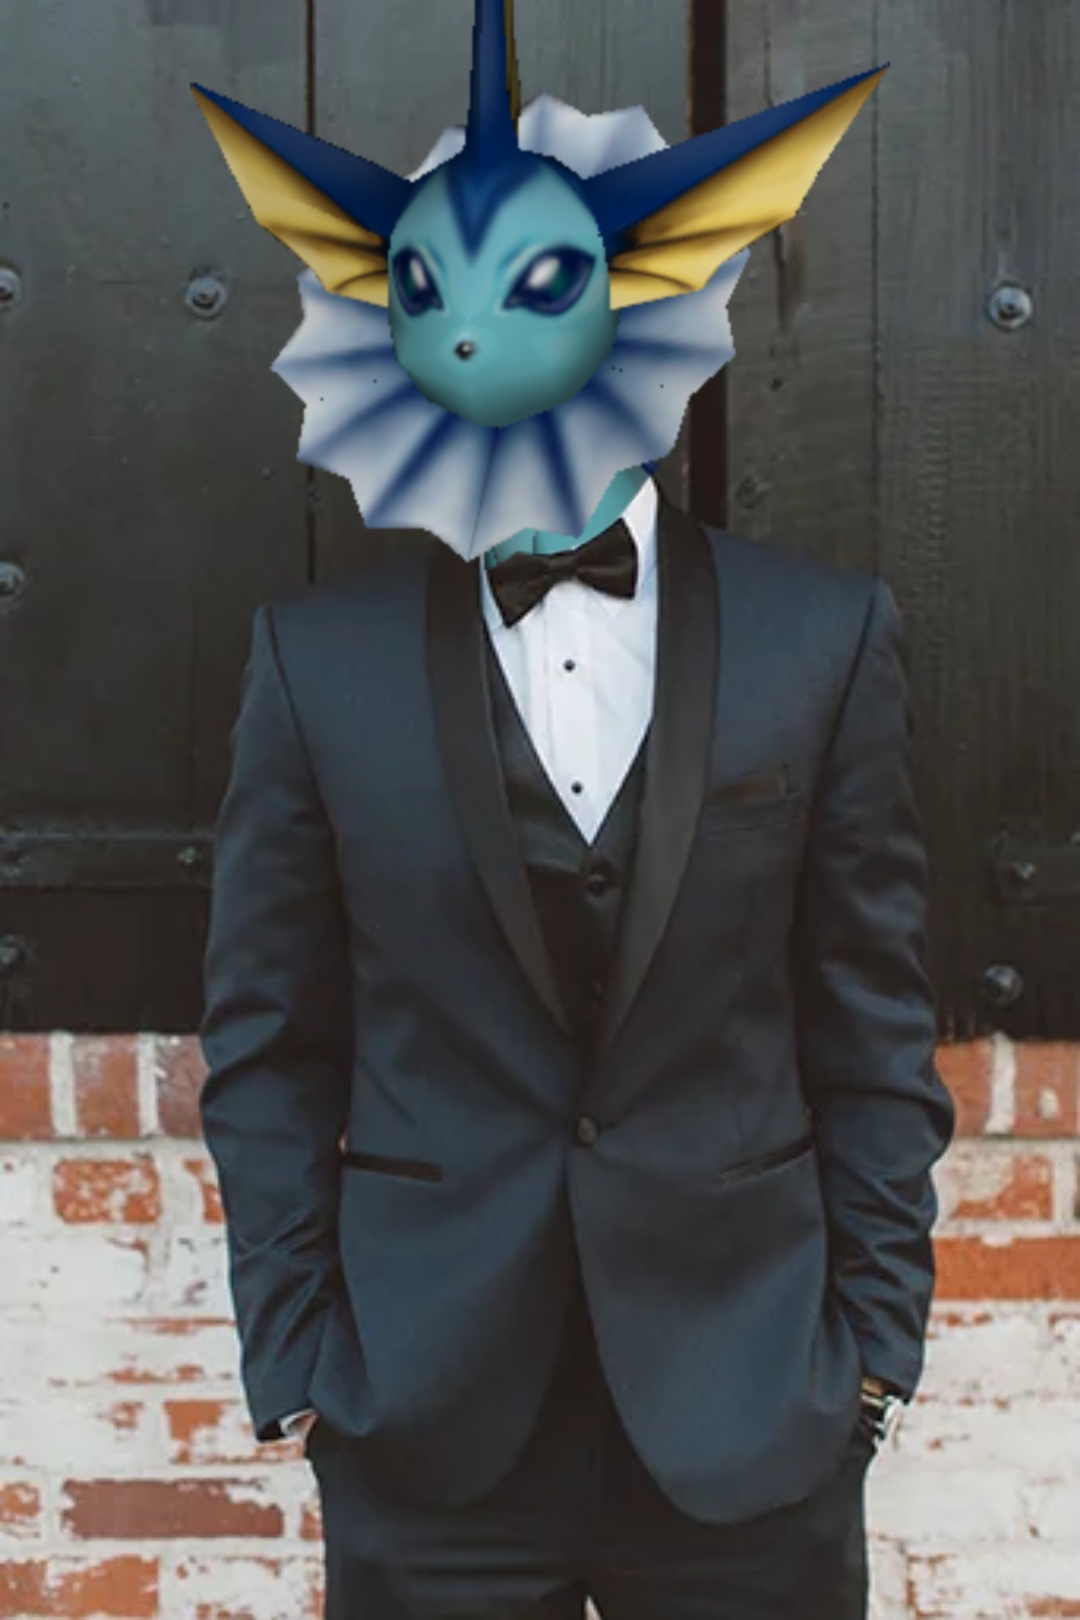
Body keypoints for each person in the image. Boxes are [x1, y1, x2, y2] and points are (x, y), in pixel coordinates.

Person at [196, 4, 956, 1614]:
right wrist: (303, 1361)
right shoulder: (310, 663)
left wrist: (875, 1360)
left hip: (754, 1418)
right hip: (425, 1428)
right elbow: (269, 1041)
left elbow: (874, 1025)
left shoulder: (824, 639)